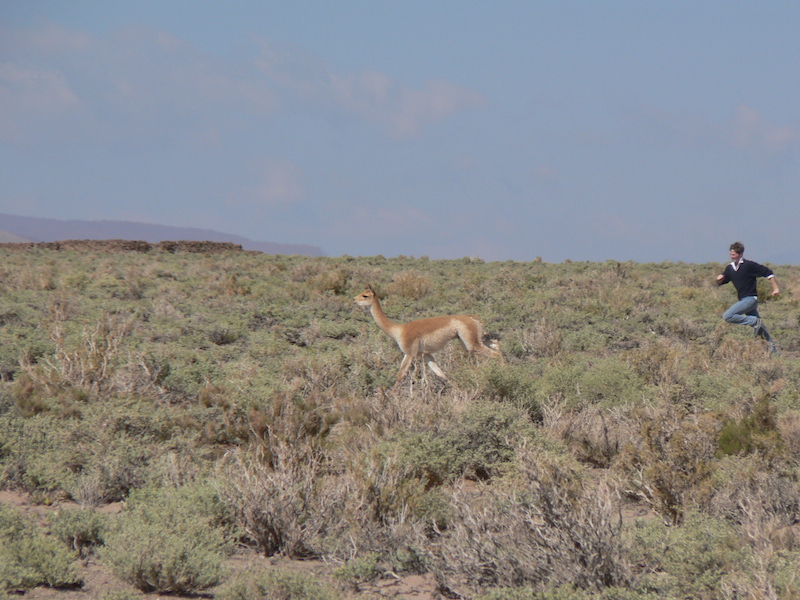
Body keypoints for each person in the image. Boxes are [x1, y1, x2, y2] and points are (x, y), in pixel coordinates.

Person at [716, 241, 779, 352]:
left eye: (734, 255)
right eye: (731, 254)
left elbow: (768, 272)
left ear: (740, 254)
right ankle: (774, 354)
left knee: (728, 316)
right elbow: (723, 281)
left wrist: (775, 288)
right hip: (743, 299)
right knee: (760, 330)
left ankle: (753, 321)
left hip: (751, 299)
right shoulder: (729, 268)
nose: (732, 257)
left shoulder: (749, 265)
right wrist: (719, 280)